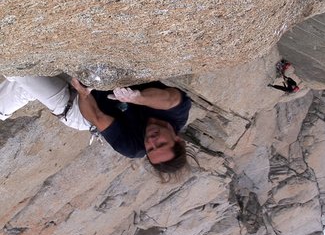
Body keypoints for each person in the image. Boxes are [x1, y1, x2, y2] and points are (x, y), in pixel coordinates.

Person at [0, 75, 192, 179]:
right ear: (177, 140)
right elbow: (170, 98)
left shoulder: (132, 147)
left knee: (22, 73)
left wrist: (83, 93)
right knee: (24, 87)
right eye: (160, 144)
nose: (151, 141)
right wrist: (137, 98)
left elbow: (97, 116)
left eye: (150, 149)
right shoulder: (177, 113)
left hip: (80, 108)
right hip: (98, 80)